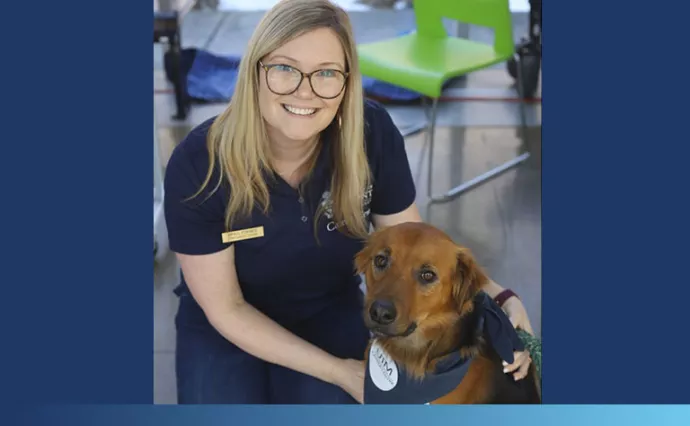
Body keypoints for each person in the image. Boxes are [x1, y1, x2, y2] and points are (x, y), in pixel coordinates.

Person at [163, 0, 535, 405]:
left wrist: (499, 298)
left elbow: (415, 248)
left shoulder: (371, 134)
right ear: (254, 72)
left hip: (328, 308)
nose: (305, 90)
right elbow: (226, 308)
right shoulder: (199, 165)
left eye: (326, 73)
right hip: (227, 321)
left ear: (346, 83)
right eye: (284, 68)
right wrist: (339, 370)